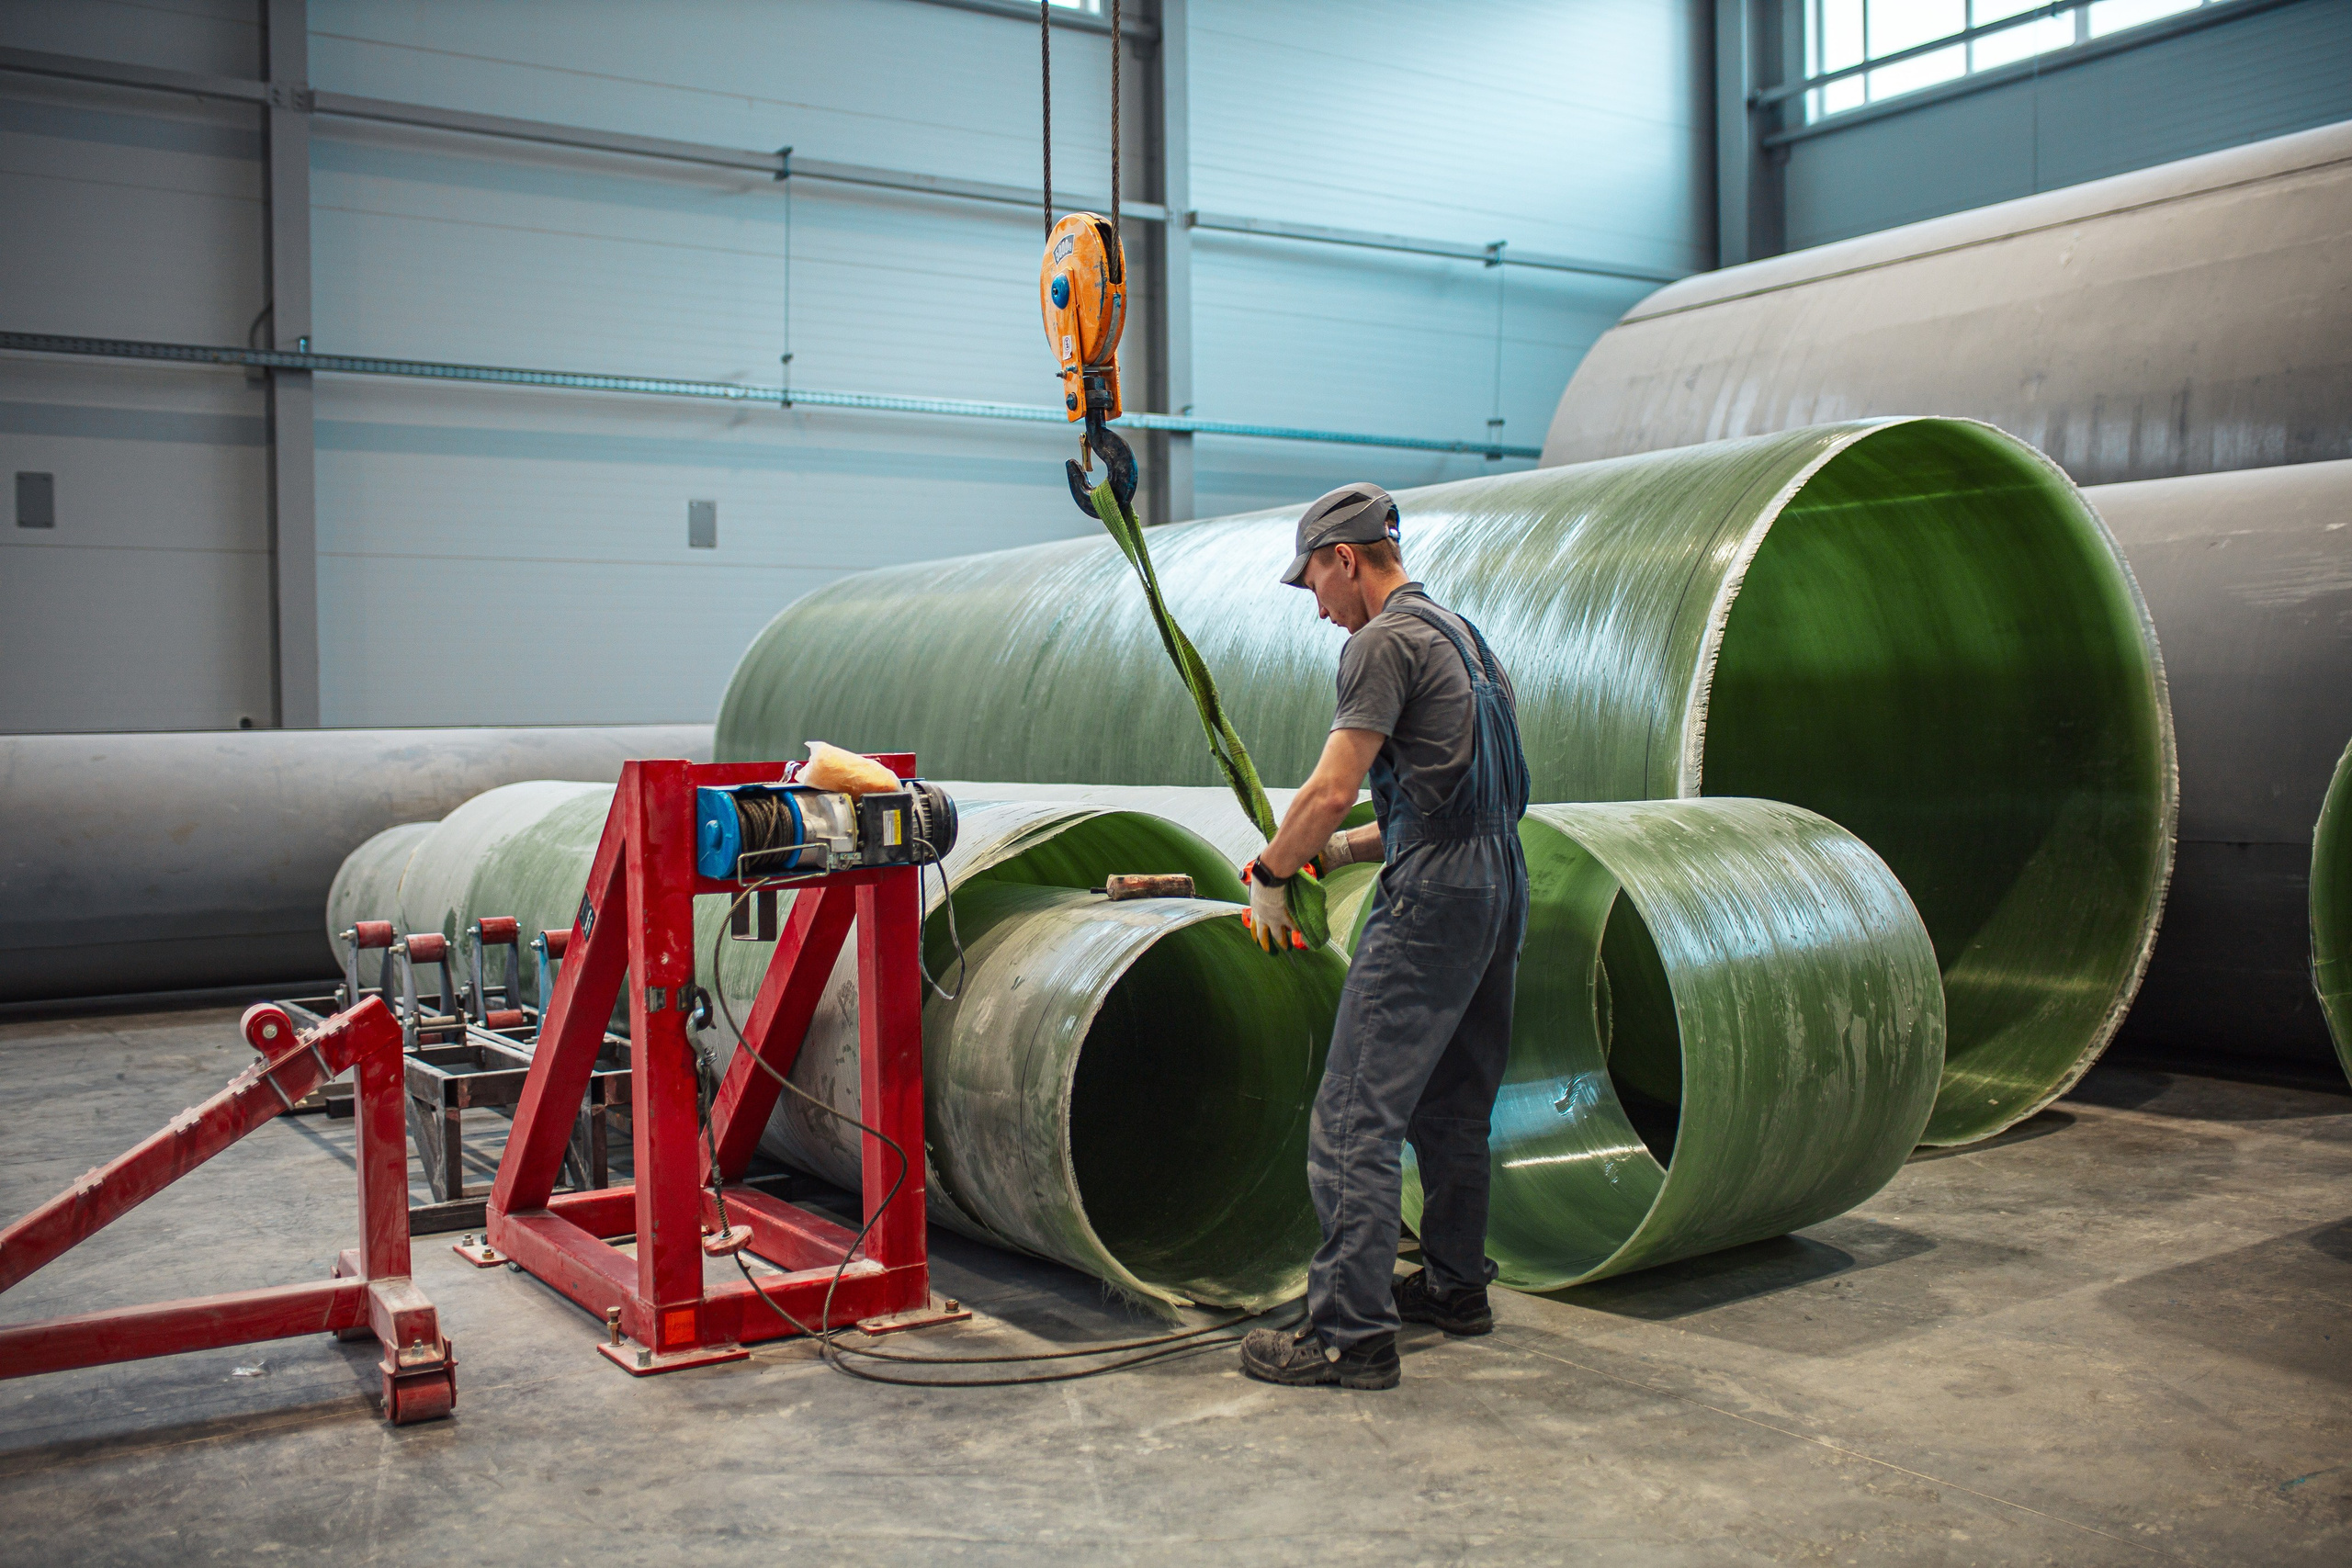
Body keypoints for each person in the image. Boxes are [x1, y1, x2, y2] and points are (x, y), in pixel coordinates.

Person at [1236, 481, 1531, 1392]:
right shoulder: (1462, 636)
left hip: (1437, 896)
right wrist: (1340, 854)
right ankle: (1453, 1286)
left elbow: (1328, 791)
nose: (1316, 605)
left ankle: (1349, 1336)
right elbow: (1457, 800)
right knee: (1454, 1102)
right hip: (1499, 877)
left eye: (1313, 582)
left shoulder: (1378, 644)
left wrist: (1275, 872)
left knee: (1357, 1112)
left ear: (1345, 557)